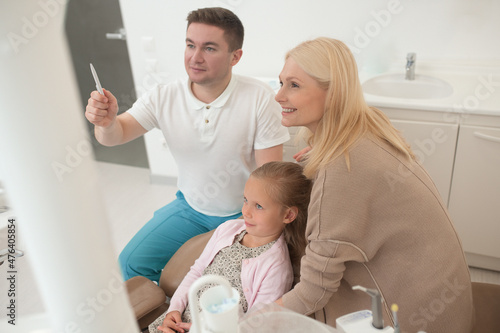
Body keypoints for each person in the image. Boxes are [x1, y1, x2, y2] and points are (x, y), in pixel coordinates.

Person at [273, 37, 474, 333]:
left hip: (414, 319)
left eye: (294, 85)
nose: (278, 96)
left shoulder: (342, 166)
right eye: (281, 83)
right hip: (449, 303)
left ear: (333, 93)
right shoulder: (368, 125)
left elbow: (314, 291)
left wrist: (253, 319)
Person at [85, 7, 289, 282]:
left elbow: (270, 180)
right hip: (190, 209)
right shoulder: (164, 96)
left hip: (241, 215)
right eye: (190, 45)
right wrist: (106, 122)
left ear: (235, 56)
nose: (195, 57)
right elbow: (114, 136)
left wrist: (257, 230)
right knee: (130, 265)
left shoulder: (259, 98)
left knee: (226, 284)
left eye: (210, 48)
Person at [147, 161, 312, 333]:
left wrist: (201, 328)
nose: (246, 211)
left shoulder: (276, 268)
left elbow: (256, 325)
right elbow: (197, 271)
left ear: (288, 215)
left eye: (259, 206)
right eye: (246, 200)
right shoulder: (228, 229)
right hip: (177, 322)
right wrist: (174, 309)